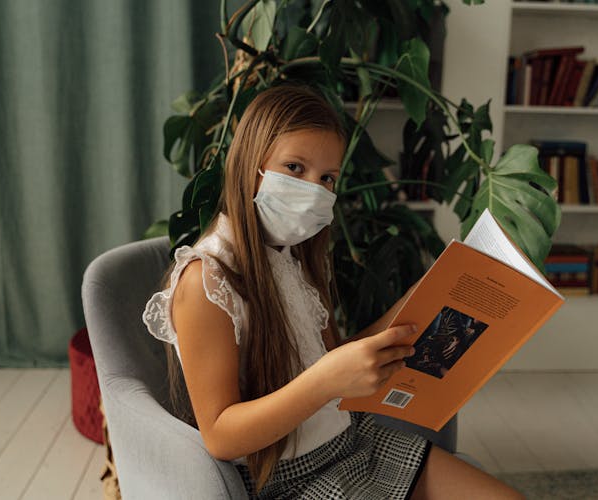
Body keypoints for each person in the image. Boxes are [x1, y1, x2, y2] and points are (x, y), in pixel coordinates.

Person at [142, 84, 523, 499]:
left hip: (354, 443)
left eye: (327, 177)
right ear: (252, 165)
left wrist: (425, 295)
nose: (314, 190)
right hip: (288, 481)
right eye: (294, 168)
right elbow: (220, 435)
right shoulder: (206, 281)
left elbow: (333, 362)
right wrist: (325, 382)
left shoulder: (289, 258)